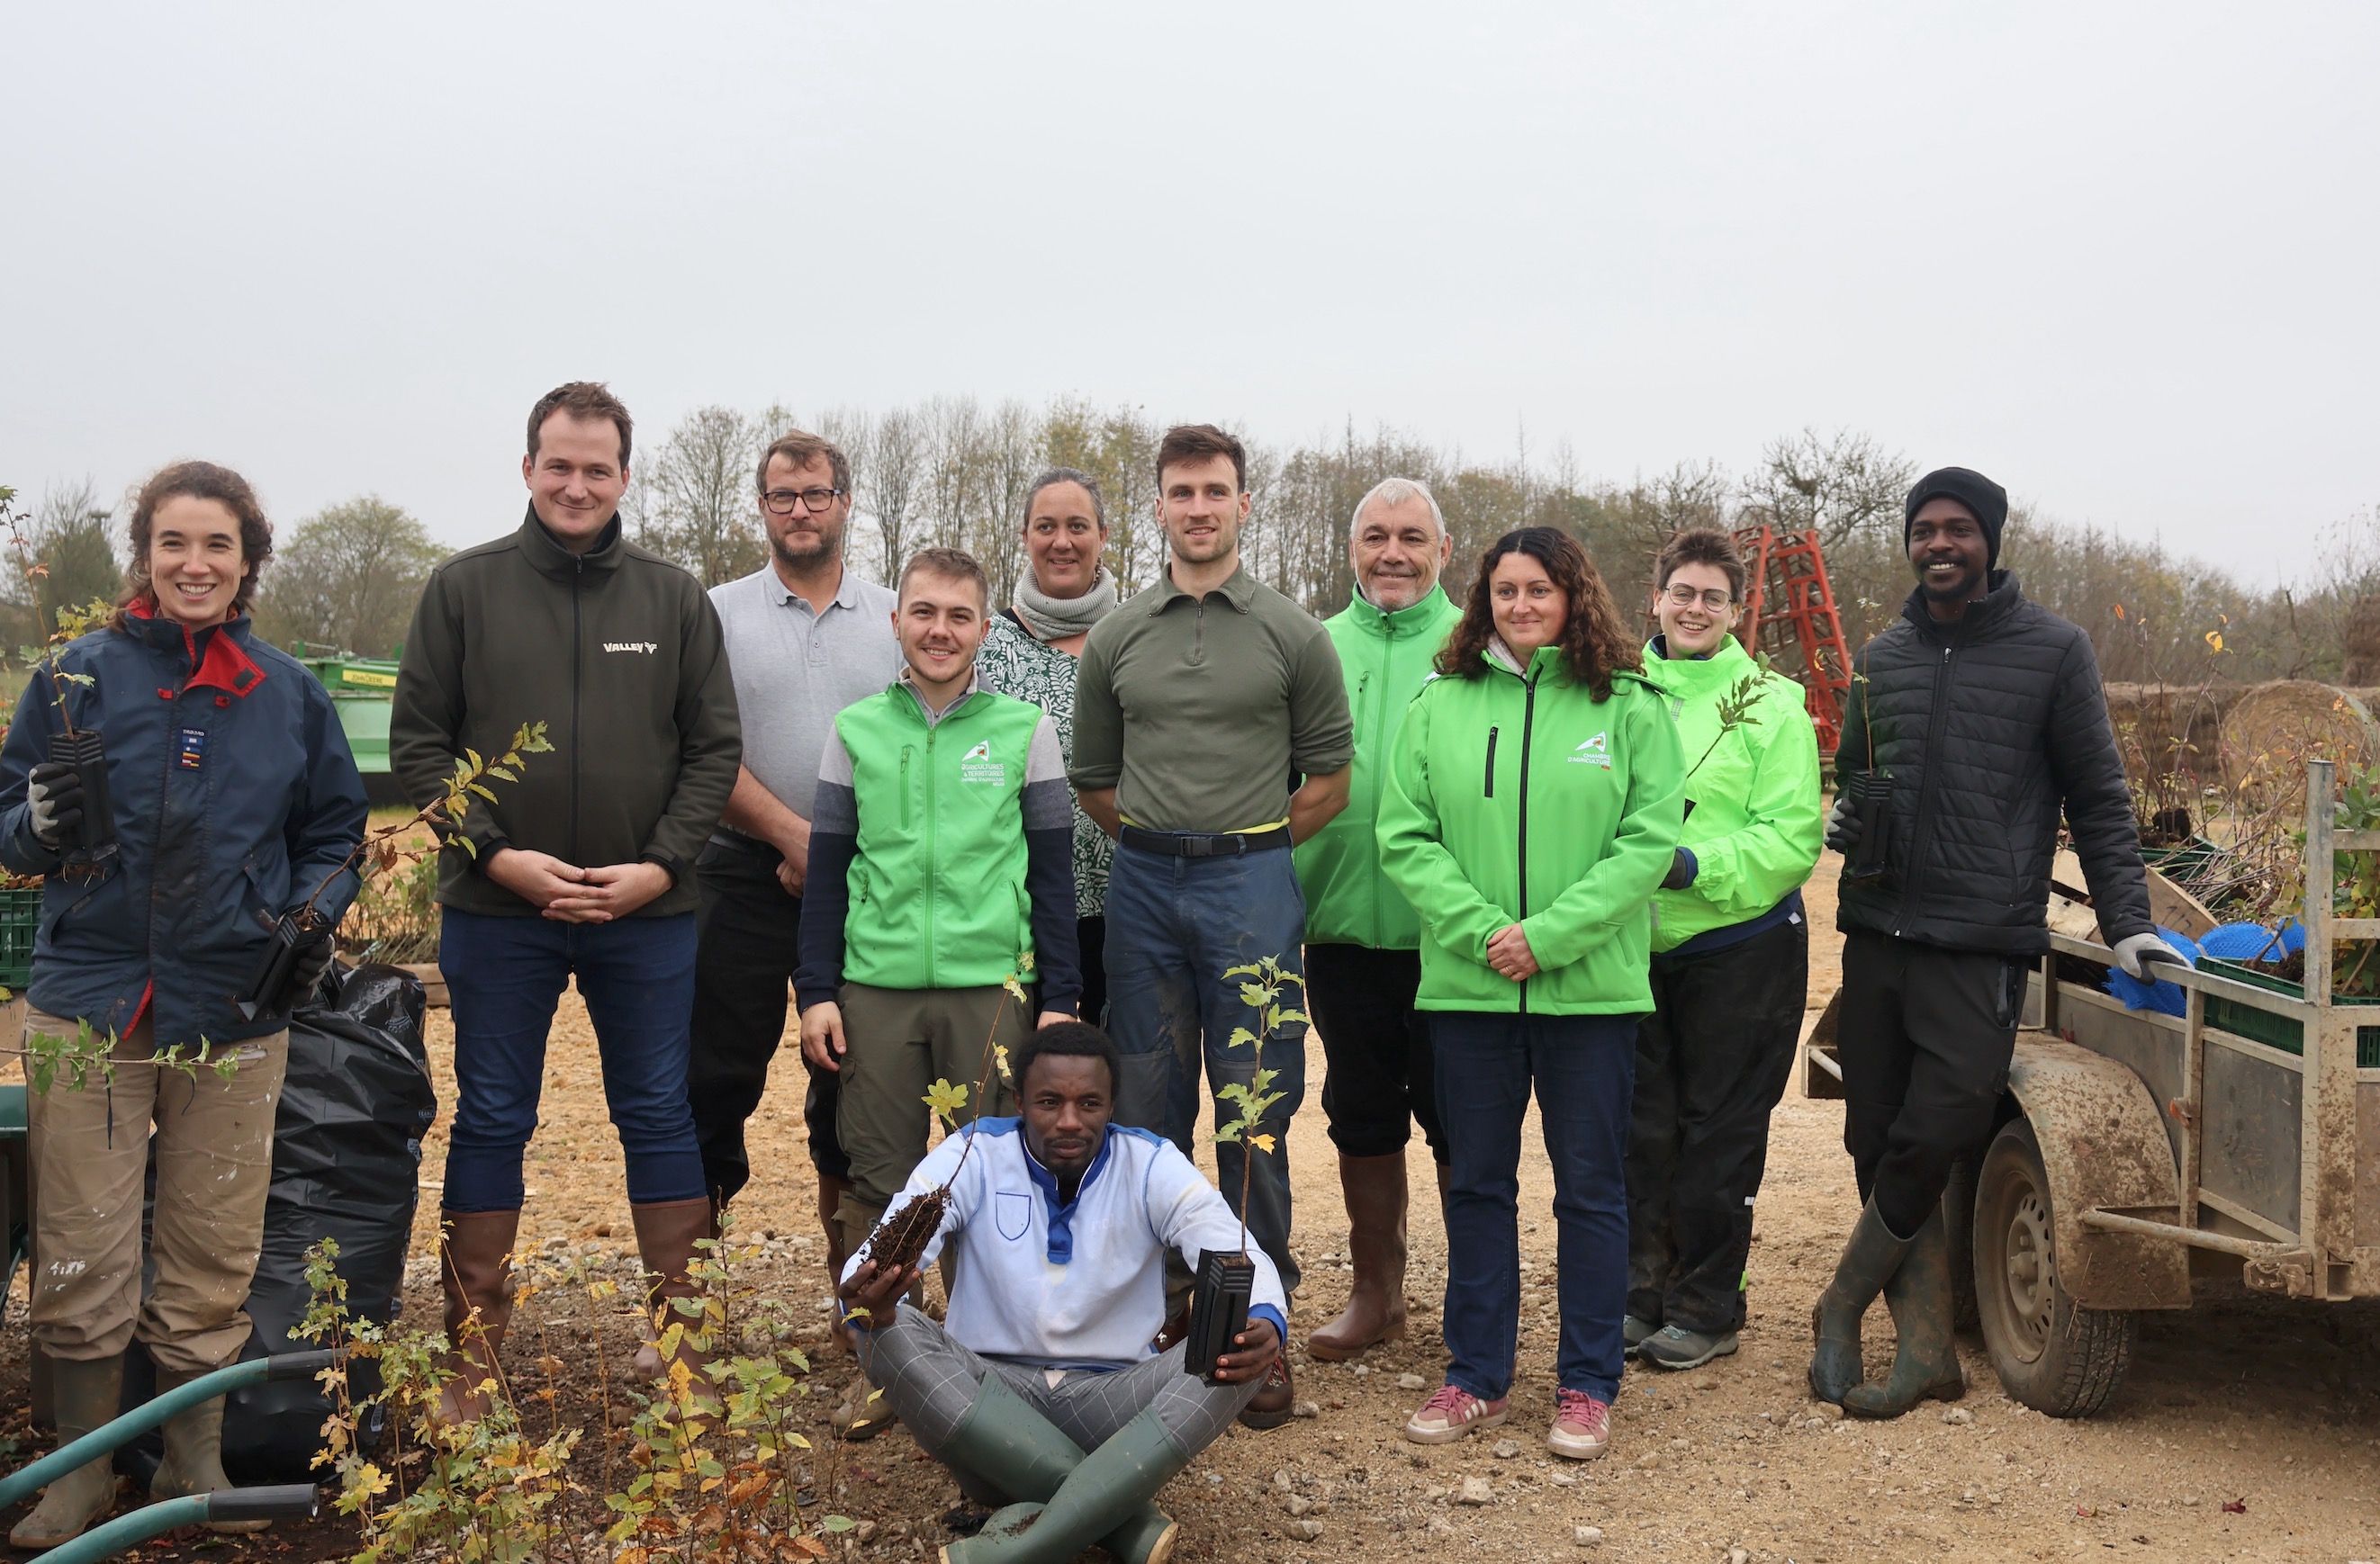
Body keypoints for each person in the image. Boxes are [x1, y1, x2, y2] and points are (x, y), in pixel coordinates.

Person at [1, 462, 368, 1547]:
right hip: (88, 1008)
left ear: (249, 558)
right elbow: (8, 829)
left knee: (212, 1246)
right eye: (173, 544)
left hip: (233, 1009)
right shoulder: (74, 679)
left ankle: (189, 1457)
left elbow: (337, 831)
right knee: (79, 1241)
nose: (193, 564)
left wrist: (304, 917)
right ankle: (81, 1467)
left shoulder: (288, 694)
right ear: (145, 555)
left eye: (216, 544)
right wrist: (34, 816)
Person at [392, 381, 742, 1419]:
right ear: (529, 467)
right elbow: (420, 747)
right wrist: (497, 857)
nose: (577, 484)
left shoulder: (673, 599)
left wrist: (663, 866)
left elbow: (714, 748)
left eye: (598, 468)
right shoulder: (463, 590)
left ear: (625, 476)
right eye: (559, 464)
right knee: (495, 1111)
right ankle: (470, 1360)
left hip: (647, 913)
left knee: (656, 1111)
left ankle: (685, 1359)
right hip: (501, 914)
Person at [1814, 467, 2166, 1417]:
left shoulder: (2053, 651)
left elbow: (2097, 796)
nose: (1938, 544)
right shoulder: (1882, 655)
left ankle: (1839, 1305)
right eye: (1924, 529)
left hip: (1979, 939)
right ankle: (1926, 1347)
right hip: (1879, 926)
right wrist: (1847, 812)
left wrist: (2128, 924)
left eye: (1957, 529)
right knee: (1872, 1134)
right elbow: (1855, 769)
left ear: (1990, 541)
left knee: (1935, 1132)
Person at [1378, 526, 1684, 1461]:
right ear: (1484, 600)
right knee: (1475, 1184)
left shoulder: (1628, 704)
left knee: (1590, 1191)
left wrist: (1546, 938)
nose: (1520, 605)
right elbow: (1404, 834)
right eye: (1504, 590)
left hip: (1587, 995)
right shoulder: (1439, 703)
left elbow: (1647, 842)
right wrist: (1484, 934)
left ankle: (1588, 1384)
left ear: (1571, 596)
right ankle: (1476, 1374)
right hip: (1470, 994)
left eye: (1538, 589)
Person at [1069, 423, 1353, 1427]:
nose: (1199, 506)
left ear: (1243, 504)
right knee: (1145, 1111)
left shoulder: (1293, 633)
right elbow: (1092, 780)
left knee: (1254, 1113)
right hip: (1145, 887)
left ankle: (1259, 1334)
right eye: (1181, 491)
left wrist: (1252, 848)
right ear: (1156, 508)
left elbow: (1328, 780)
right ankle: (1168, 1314)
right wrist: (1163, 844)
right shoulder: (1118, 635)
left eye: (1216, 490)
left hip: (1253, 889)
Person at [837, 1022, 1284, 1564]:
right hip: (983, 1402)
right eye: (1049, 1102)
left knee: (1240, 1343)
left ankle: (1023, 1539)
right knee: (886, 1326)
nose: (1069, 1120)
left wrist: (1265, 1318)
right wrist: (868, 1300)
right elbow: (883, 1251)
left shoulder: (1150, 1163)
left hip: (1116, 1407)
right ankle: (1118, 1518)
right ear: (1021, 1100)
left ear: (1112, 1104)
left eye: (1089, 1103)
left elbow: (1237, 1253)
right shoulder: (975, 1152)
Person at [796, 545, 1080, 1283]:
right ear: (897, 621)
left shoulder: (1027, 732)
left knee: (991, 1179)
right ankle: (886, 1368)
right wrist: (817, 992)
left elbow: (1052, 881)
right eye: (924, 612)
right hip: (875, 994)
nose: (940, 630)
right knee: (879, 1187)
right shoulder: (855, 730)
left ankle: (982, 1366)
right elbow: (827, 875)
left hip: (991, 995)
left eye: (959, 615)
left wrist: (1059, 1001)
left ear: (985, 628)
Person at [692, 428, 897, 1337]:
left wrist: (835, 849)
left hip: (863, 881)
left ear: (846, 503)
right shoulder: (715, 614)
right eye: (783, 497)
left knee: (849, 1086)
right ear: (762, 507)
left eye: (816, 494)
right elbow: (699, 749)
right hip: (735, 875)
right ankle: (690, 1309)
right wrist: (787, 831)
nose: (801, 511)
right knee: (708, 1079)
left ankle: (854, 1293)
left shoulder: (896, 616)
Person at [1624, 528, 1824, 1371]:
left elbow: (1791, 835)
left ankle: (1707, 1304)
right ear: (1657, 599)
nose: (1695, 608)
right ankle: (1641, 1294)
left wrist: (1692, 864)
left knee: (1719, 1131)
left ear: (1735, 610)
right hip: (1631, 943)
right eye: (1682, 592)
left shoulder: (1771, 705)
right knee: (1641, 1126)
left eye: (1713, 597)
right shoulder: (1616, 691)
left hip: (1738, 946)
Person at [1291, 476, 1463, 1362]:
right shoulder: (1313, 645)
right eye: (1374, 536)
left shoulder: (1475, 644)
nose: (1391, 552)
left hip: (1449, 934)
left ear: (1442, 550)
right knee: (1360, 1108)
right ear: (1350, 547)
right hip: (1339, 930)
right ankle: (1376, 1290)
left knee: (1455, 1111)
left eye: (1410, 536)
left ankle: (1474, 1296)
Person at [977, 468, 1120, 1023]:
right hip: (1017, 908)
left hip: (1128, 909)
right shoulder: (985, 646)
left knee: (1117, 1080)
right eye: (1046, 527)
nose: (1062, 542)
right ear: (1025, 536)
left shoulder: (1139, 635)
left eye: (1078, 526)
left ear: (1103, 536)